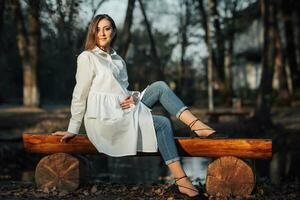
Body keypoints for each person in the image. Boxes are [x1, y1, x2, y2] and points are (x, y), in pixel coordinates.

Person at [53, 14, 220, 199]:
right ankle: (181, 179)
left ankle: (197, 126)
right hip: (105, 118)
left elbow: (121, 90)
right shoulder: (87, 57)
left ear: (113, 32)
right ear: (93, 31)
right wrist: (73, 128)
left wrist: (133, 97)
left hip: (123, 109)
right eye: (98, 29)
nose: (102, 33)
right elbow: (80, 94)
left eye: (107, 28)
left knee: (160, 87)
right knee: (162, 123)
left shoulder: (118, 60)